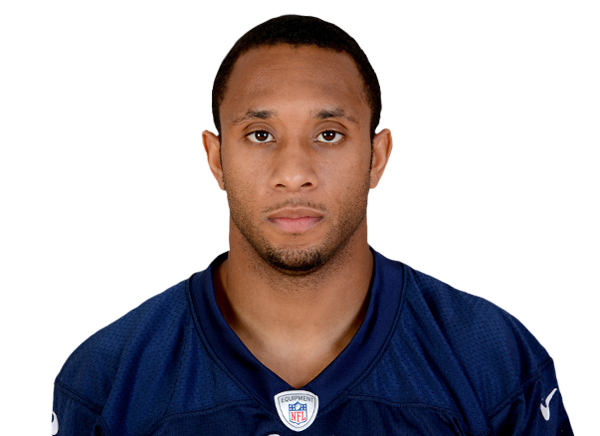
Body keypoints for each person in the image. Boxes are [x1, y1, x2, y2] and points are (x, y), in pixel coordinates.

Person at [52, 14, 573, 435]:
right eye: (259, 134)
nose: (294, 173)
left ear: (378, 152)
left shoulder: (492, 359)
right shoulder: (113, 376)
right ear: (215, 156)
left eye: (329, 134)